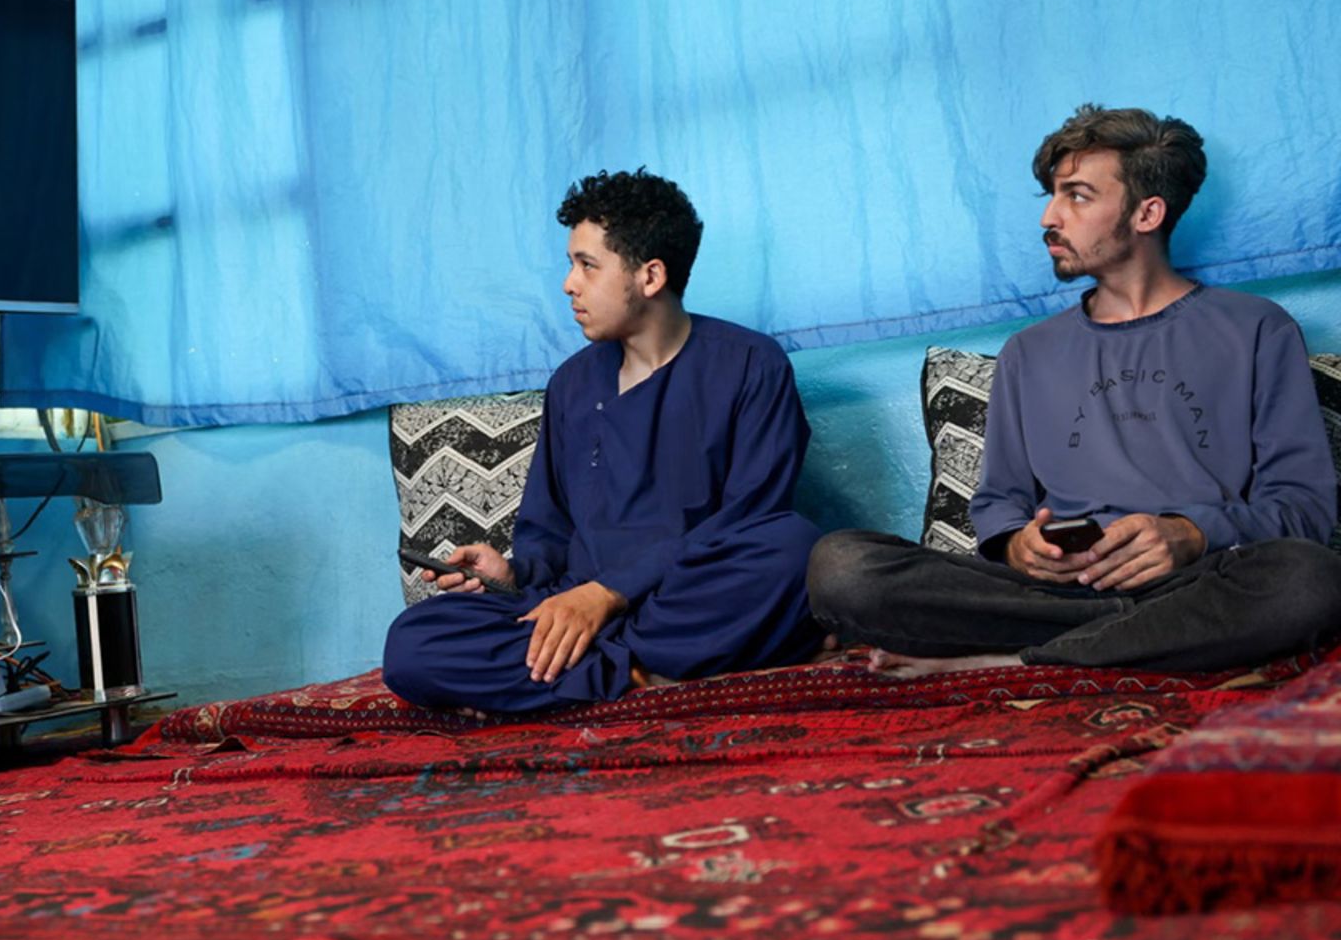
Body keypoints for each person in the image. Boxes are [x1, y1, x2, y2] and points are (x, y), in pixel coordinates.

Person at [808, 104, 1341, 677]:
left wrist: (1190, 534)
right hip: (1054, 593)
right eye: (1052, 195)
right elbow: (998, 503)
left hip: (1198, 576)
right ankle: (1121, 640)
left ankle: (1013, 659)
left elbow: (1305, 506)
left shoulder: (1256, 328)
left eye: (1077, 196)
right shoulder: (1028, 352)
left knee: (1307, 578)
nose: (1048, 217)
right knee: (841, 567)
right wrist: (1018, 547)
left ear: (1147, 213)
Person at [382, 169, 825, 712]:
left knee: (792, 549)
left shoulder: (752, 365)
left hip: (681, 597)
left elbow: (753, 517)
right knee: (414, 641)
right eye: (572, 265)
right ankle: (646, 674)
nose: (569, 284)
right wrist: (513, 572)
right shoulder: (572, 384)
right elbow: (548, 528)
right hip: (574, 607)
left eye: (587, 266)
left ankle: (593, 672)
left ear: (651, 276)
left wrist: (607, 596)